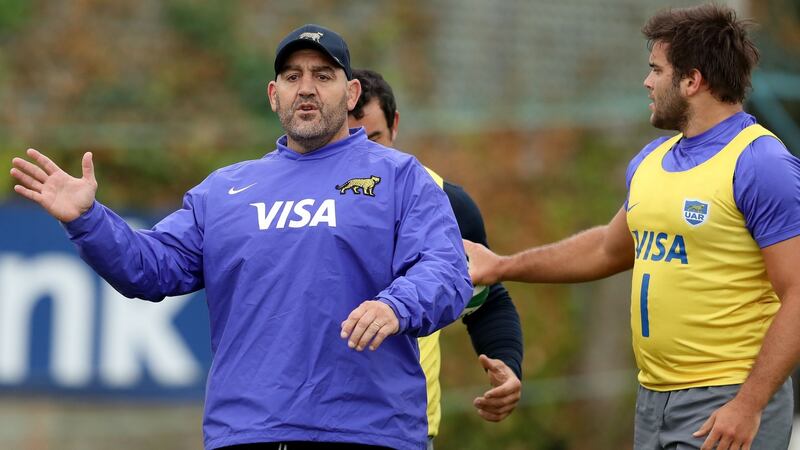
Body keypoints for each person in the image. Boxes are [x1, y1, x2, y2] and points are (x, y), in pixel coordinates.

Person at [10, 24, 472, 450]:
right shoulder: (226, 190)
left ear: (351, 93)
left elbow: (446, 271)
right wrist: (88, 218)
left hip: (370, 432)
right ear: (274, 95)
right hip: (246, 432)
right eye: (292, 77)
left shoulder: (400, 177)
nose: (306, 88)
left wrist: (395, 305)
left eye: (323, 75)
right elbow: (150, 268)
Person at [465, 5, 800, 450]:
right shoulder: (651, 161)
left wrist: (749, 404)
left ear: (692, 80)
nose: (647, 81)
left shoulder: (760, 162)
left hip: (727, 400)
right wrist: (501, 265)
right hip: (653, 401)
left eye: (656, 70)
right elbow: (608, 248)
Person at [347, 68, 523, 445]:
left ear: (394, 126)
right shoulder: (299, 203)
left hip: (403, 428)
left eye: (375, 139)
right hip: (310, 424)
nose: (365, 156)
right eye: (349, 141)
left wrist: (507, 363)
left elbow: (486, 301)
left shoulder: (444, 202)